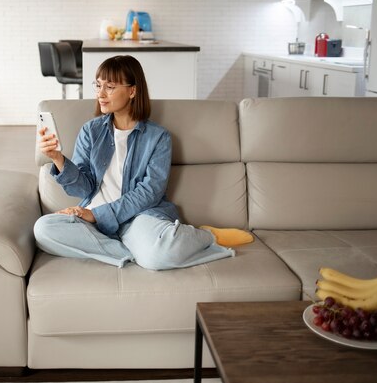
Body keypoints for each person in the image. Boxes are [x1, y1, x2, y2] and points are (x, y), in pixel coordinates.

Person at [34, 55, 252, 270]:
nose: (100, 94)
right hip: (93, 222)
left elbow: (150, 191)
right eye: (98, 85)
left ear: (132, 91)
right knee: (43, 229)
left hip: (138, 218)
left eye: (109, 87)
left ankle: (207, 235)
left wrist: (99, 215)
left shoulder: (158, 137)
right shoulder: (90, 131)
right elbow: (83, 187)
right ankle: (136, 252)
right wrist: (58, 159)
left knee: (162, 253)